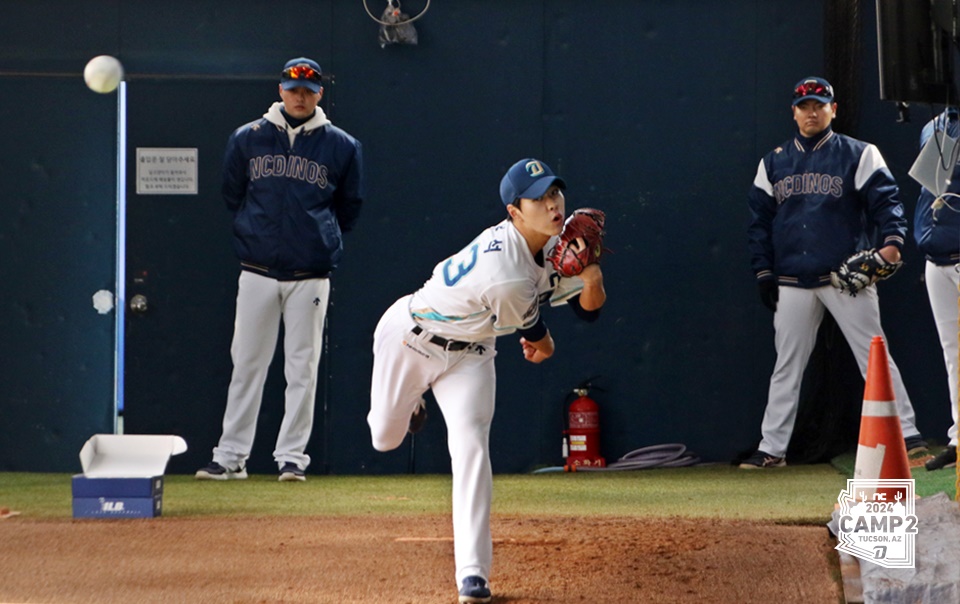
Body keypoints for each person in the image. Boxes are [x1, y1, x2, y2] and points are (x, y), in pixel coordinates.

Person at [366, 158, 606, 603]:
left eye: (556, 193)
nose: (553, 205)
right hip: (411, 338)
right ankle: (414, 401)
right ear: (514, 212)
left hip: (470, 355)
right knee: (384, 438)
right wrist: (542, 344)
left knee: (472, 449)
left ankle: (472, 575)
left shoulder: (553, 247)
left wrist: (592, 276)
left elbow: (587, 311)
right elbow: (540, 344)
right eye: (539, 198)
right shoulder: (508, 271)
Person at [743, 76, 925, 469]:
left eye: (819, 105)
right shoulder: (773, 161)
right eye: (805, 105)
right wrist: (763, 271)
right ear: (793, 111)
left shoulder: (859, 153)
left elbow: (887, 204)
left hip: (846, 275)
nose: (812, 112)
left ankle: (907, 435)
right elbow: (758, 222)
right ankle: (771, 449)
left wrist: (891, 246)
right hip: (792, 277)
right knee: (787, 366)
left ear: (833, 109)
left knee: (874, 358)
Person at [196, 57, 363, 482]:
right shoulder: (247, 138)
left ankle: (292, 458)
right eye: (293, 89)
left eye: (308, 90)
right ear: (280, 90)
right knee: (247, 364)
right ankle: (231, 456)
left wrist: (317, 239)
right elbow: (232, 194)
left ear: (320, 93)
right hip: (256, 268)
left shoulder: (342, 145)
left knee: (301, 368)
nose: (300, 96)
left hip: (310, 273)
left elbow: (348, 208)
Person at [914, 107, 960, 471]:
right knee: (953, 355)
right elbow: (929, 193)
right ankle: (959, 439)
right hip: (938, 258)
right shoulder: (937, 124)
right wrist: (928, 240)